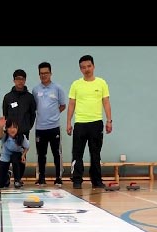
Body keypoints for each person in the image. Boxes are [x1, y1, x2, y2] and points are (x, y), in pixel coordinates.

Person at [66, 54, 112, 189]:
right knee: (77, 153)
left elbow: (106, 103)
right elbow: (71, 104)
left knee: (95, 153)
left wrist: (109, 121)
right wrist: (68, 122)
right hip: (80, 123)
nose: (87, 69)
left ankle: (97, 181)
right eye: (83, 67)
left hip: (96, 123)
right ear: (80, 69)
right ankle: (77, 180)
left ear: (93, 66)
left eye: (89, 66)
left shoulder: (101, 83)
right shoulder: (76, 84)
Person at [0, 69, 35, 187]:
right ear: (14, 80)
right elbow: (5, 113)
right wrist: (6, 128)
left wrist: (27, 127)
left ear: (25, 80)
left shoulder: (30, 97)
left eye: (22, 79)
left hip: (23, 132)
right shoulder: (8, 97)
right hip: (9, 133)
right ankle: (4, 177)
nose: (20, 81)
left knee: (20, 158)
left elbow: (33, 114)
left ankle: (18, 179)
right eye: (18, 79)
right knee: (5, 155)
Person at [32, 62, 67, 186]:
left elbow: (63, 105)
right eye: (41, 73)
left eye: (46, 73)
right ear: (39, 75)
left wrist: (54, 115)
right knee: (41, 154)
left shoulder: (57, 88)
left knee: (57, 153)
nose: (44, 75)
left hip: (54, 127)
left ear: (50, 73)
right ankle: (41, 178)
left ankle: (58, 177)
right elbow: (34, 107)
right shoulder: (35, 90)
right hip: (40, 127)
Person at [0, 117, 29, 189]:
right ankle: (7, 176)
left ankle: (17, 180)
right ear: (6, 129)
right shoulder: (5, 136)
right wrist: (1, 126)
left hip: (17, 156)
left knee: (14, 157)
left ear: (17, 128)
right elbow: (0, 134)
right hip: (6, 155)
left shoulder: (22, 137)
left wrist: (23, 155)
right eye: (9, 127)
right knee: (1, 185)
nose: (12, 130)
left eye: (14, 127)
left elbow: (27, 147)